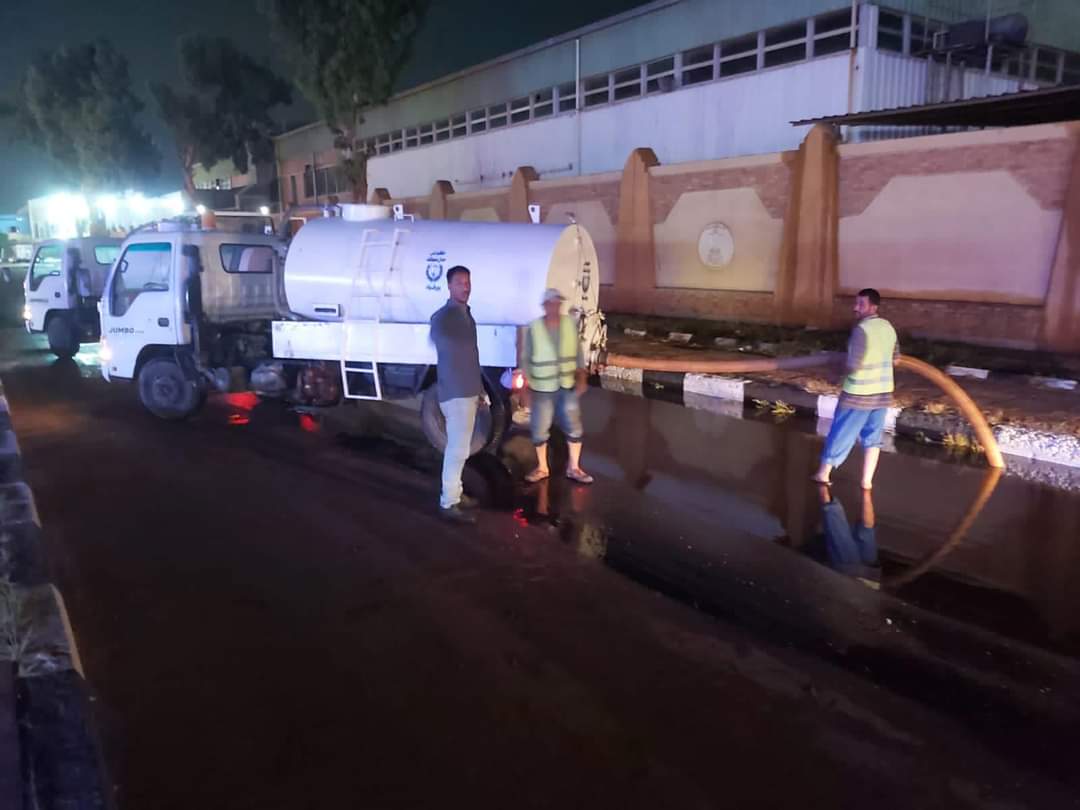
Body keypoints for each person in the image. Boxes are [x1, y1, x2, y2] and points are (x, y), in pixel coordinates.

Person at [813, 288, 899, 490]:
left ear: (873, 307)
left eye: (861, 304)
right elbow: (896, 359)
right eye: (856, 303)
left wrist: (835, 374)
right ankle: (866, 482)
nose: (856, 308)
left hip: (858, 394)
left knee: (841, 432)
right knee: (873, 439)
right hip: (882, 393)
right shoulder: (888, 327)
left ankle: (823, 474)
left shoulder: (862, 330)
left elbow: (853, 365)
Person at [520, 288, 593, 485]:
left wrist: (582, 376)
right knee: (540, 427)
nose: (556, 306)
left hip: (567, 384)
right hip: (542, 387)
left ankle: (574, 468)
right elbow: (526, 358)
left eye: (558, 303)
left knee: (573, 426)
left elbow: (578, 352)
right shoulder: (535, 328)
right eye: (552, 303)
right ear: (545, 306)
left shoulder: (569, 324)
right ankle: (542, 468)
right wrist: (525, 387)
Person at [429, 265, 483, 523]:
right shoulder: (444, 317)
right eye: (460, 282)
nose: (465, 286)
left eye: (468, 282)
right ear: (449, 286)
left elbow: (473, 358)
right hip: (455, 392)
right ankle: (449, 501)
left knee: (460, 449)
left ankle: (455, 493)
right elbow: (440, 337)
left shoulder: (467, 316)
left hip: (468, 391)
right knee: (457, 449)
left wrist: (480, 390)